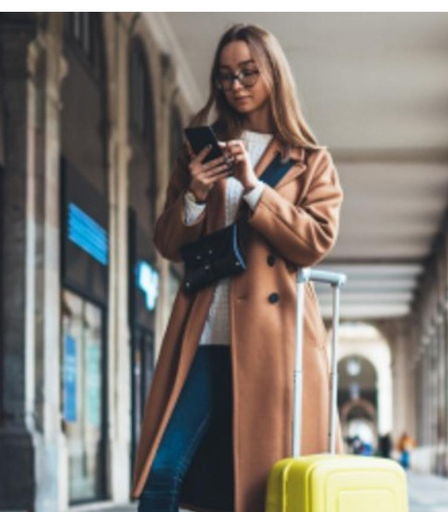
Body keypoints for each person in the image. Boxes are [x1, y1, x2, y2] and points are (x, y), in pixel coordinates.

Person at [129, 23, 344, 512]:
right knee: (163, 474)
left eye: (248, 72)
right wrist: (195, 196)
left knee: (255, 490)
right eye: (225, 76)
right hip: (204, 334)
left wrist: (253, 188)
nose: (236, 85)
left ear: (273, 73)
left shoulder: (310, 161)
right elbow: (167, 241)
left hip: (275, 342)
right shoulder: (198, 153)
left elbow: (315, 240)